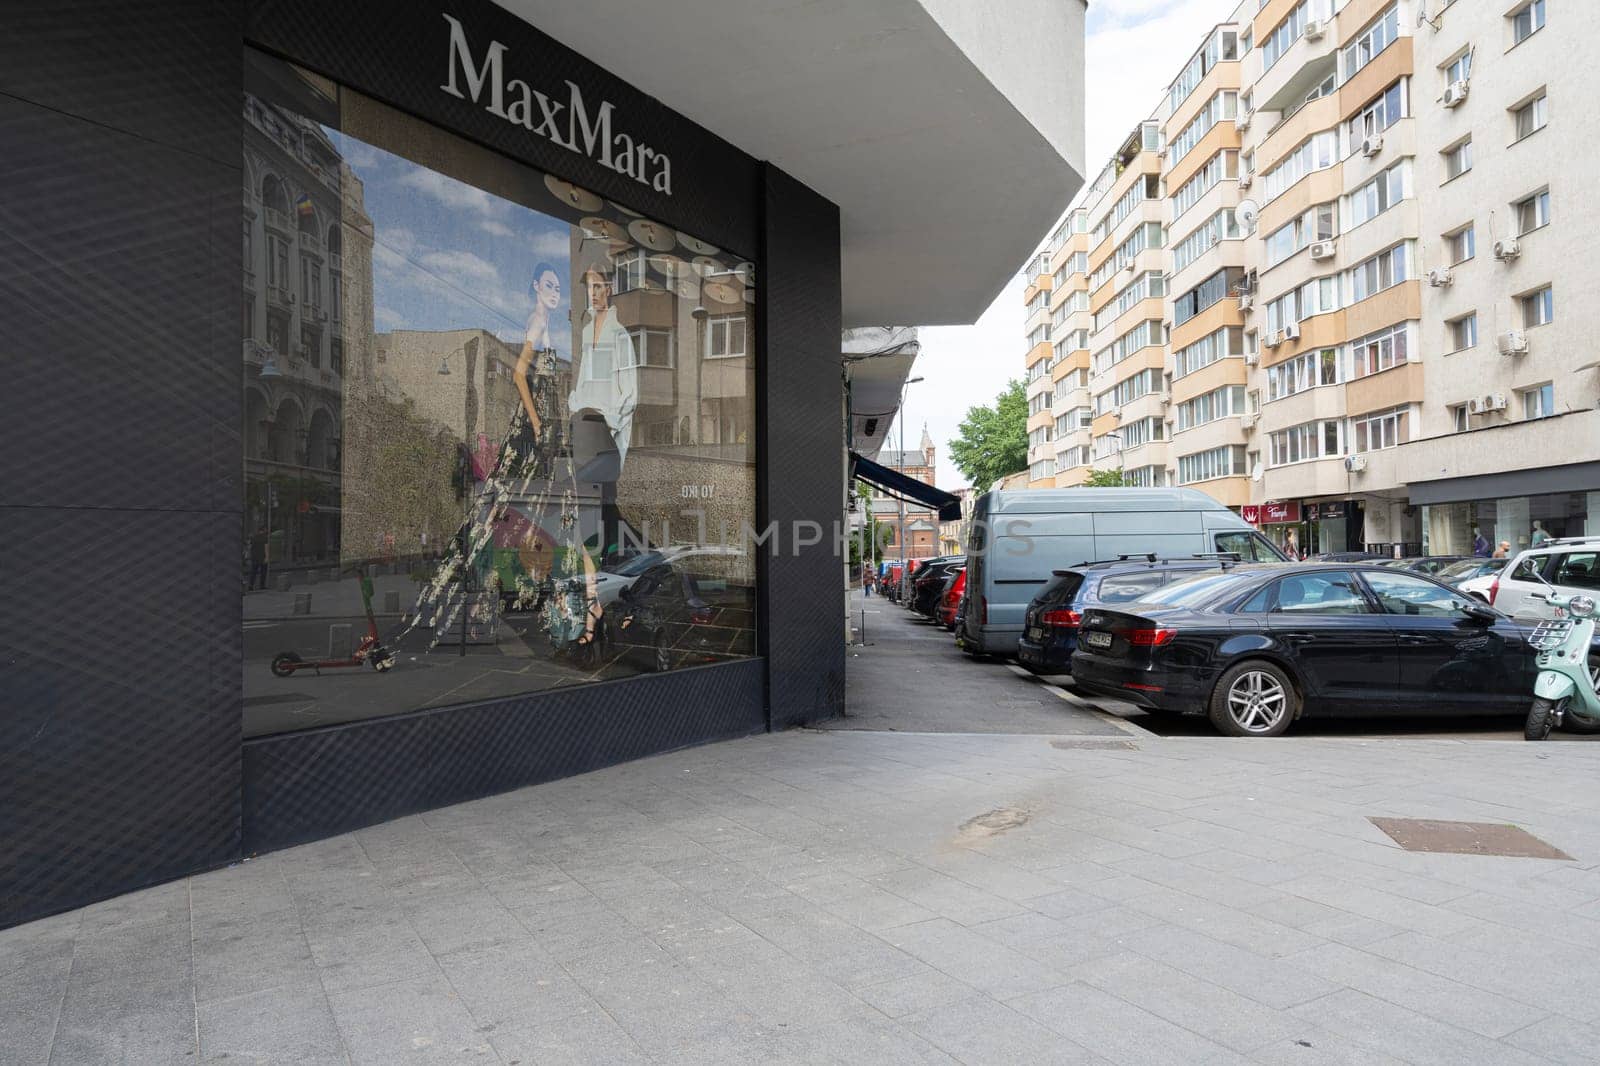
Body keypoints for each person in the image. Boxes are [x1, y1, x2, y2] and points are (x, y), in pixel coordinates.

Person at [248, 524, 270, 591]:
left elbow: (249, 547)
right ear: (264, 530)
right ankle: (262, 586)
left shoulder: (253, 537)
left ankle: (251, 585)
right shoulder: (265, 537)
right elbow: (266, 548)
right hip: (262, 557)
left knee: (253, 572)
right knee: (263, 572)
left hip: (254, 557)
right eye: (266, 529)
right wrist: (267, 557)